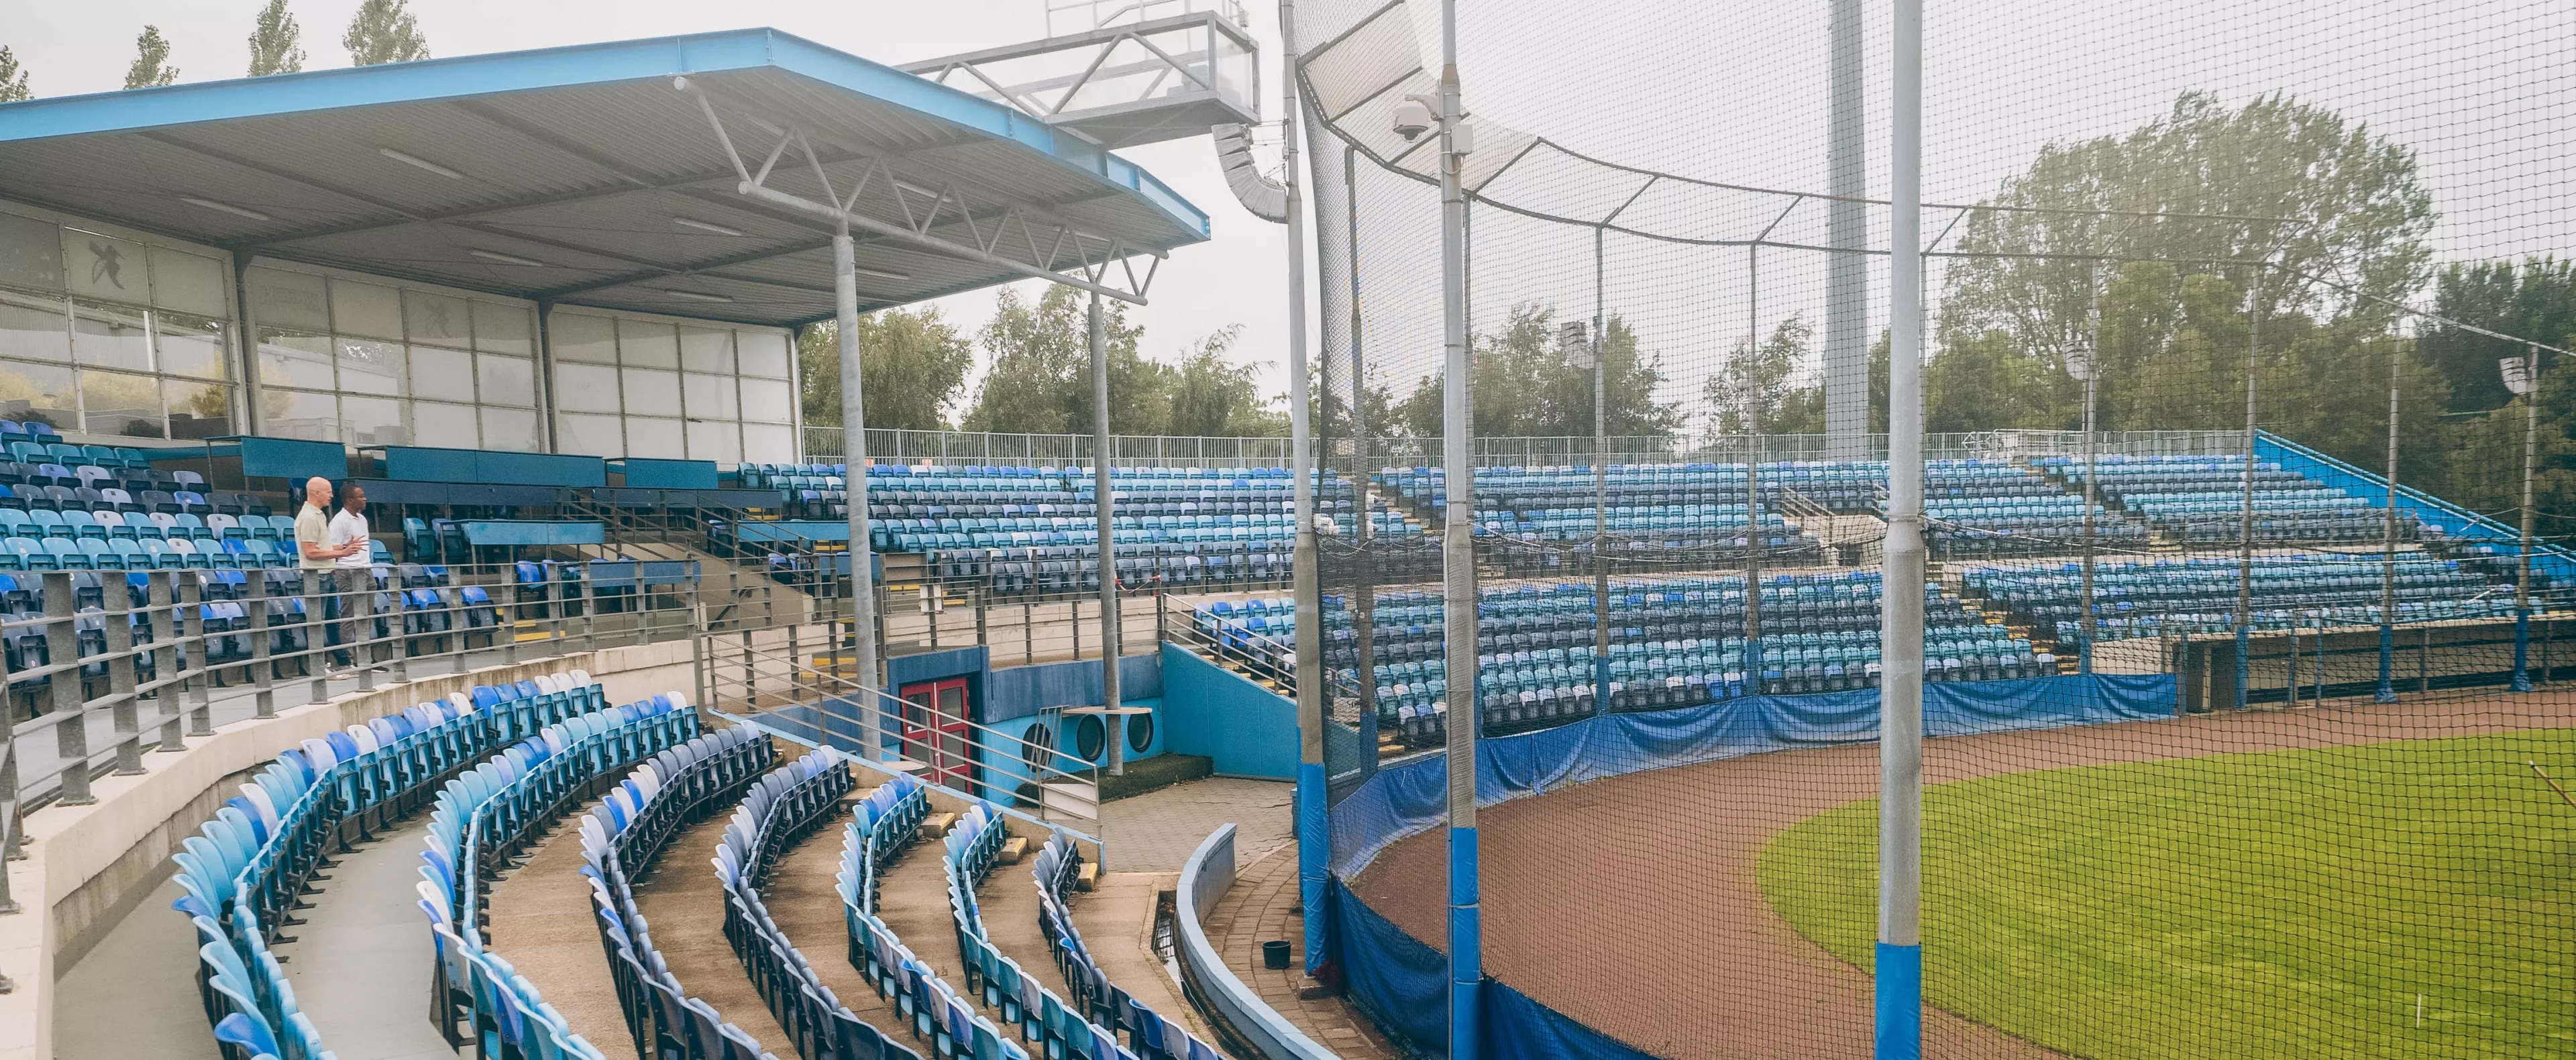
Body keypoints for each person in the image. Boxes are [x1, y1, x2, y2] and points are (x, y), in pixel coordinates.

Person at [292, 476, 361, 672]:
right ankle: (319, 666)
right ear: (317, 493)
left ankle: (342, 662)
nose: (332, 495)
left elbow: (322, 546)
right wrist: (342, 553)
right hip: (316, 576)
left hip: (327, 575)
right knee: (318, 623)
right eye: (329, 492)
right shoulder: (308, 517)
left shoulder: (318, 515)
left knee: (332, 622)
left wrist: (344, 546)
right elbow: (310, 552)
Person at [328, 482, 374, 670]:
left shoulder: (362, 520)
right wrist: (348, 548)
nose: (365, 499)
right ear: (349, 500)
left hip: (365, 569)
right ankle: (345, 659)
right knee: (349, 616)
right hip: (347, 571)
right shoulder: (339, 521)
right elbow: (331, 548)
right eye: (360, 496)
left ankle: (364, 658)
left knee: (366, 617)